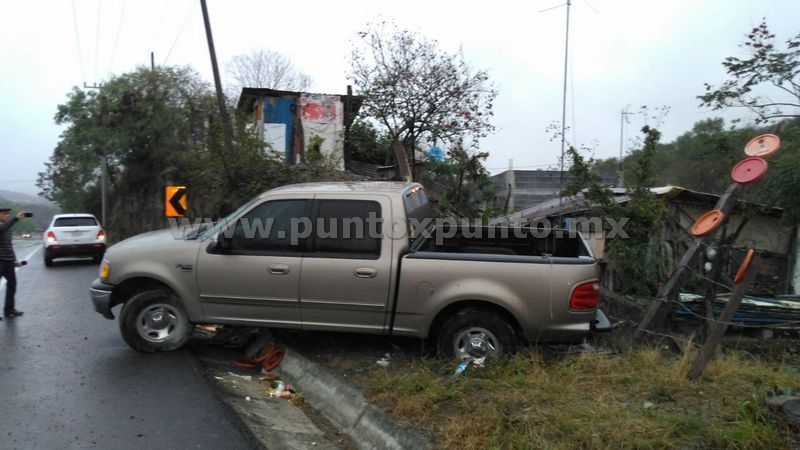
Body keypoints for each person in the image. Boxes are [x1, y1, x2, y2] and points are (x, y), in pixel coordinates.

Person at [0, 207, 27, 319]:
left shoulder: (8, 227)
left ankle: (9, 309)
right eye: (4, 214)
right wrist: (16, 219)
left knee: (12, 285)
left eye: (8, 214)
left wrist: (15, 260)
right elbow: (2, 230)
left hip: (9, 260)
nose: (6, 215)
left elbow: (9, 245)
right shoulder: (2, 226)